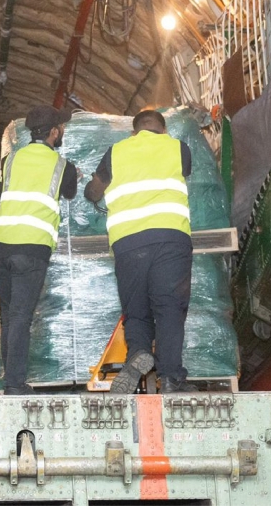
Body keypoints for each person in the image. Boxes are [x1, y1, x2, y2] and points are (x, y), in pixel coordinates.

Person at [84, 109, 196, 394]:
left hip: (128, 243)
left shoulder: (116, 151)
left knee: (136, 310)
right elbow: (185, 172)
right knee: (169, 307)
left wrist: (91, 187)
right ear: (164, 129)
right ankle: (170, 379)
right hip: (170, 238)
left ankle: (137, 354)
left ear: (133, 132)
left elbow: (94, 192)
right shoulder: (177, 148)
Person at [0, 105, 78, 395]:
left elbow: (6, 190)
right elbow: (70, 192)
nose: (62, 131)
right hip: (31, 247)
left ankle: (9, 378)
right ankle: (15, 384)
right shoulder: (60, 165)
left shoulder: (11, 160)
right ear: (54, 132)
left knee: (9, 313)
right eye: (61, 127)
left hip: (1, 244)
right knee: (20, 316)